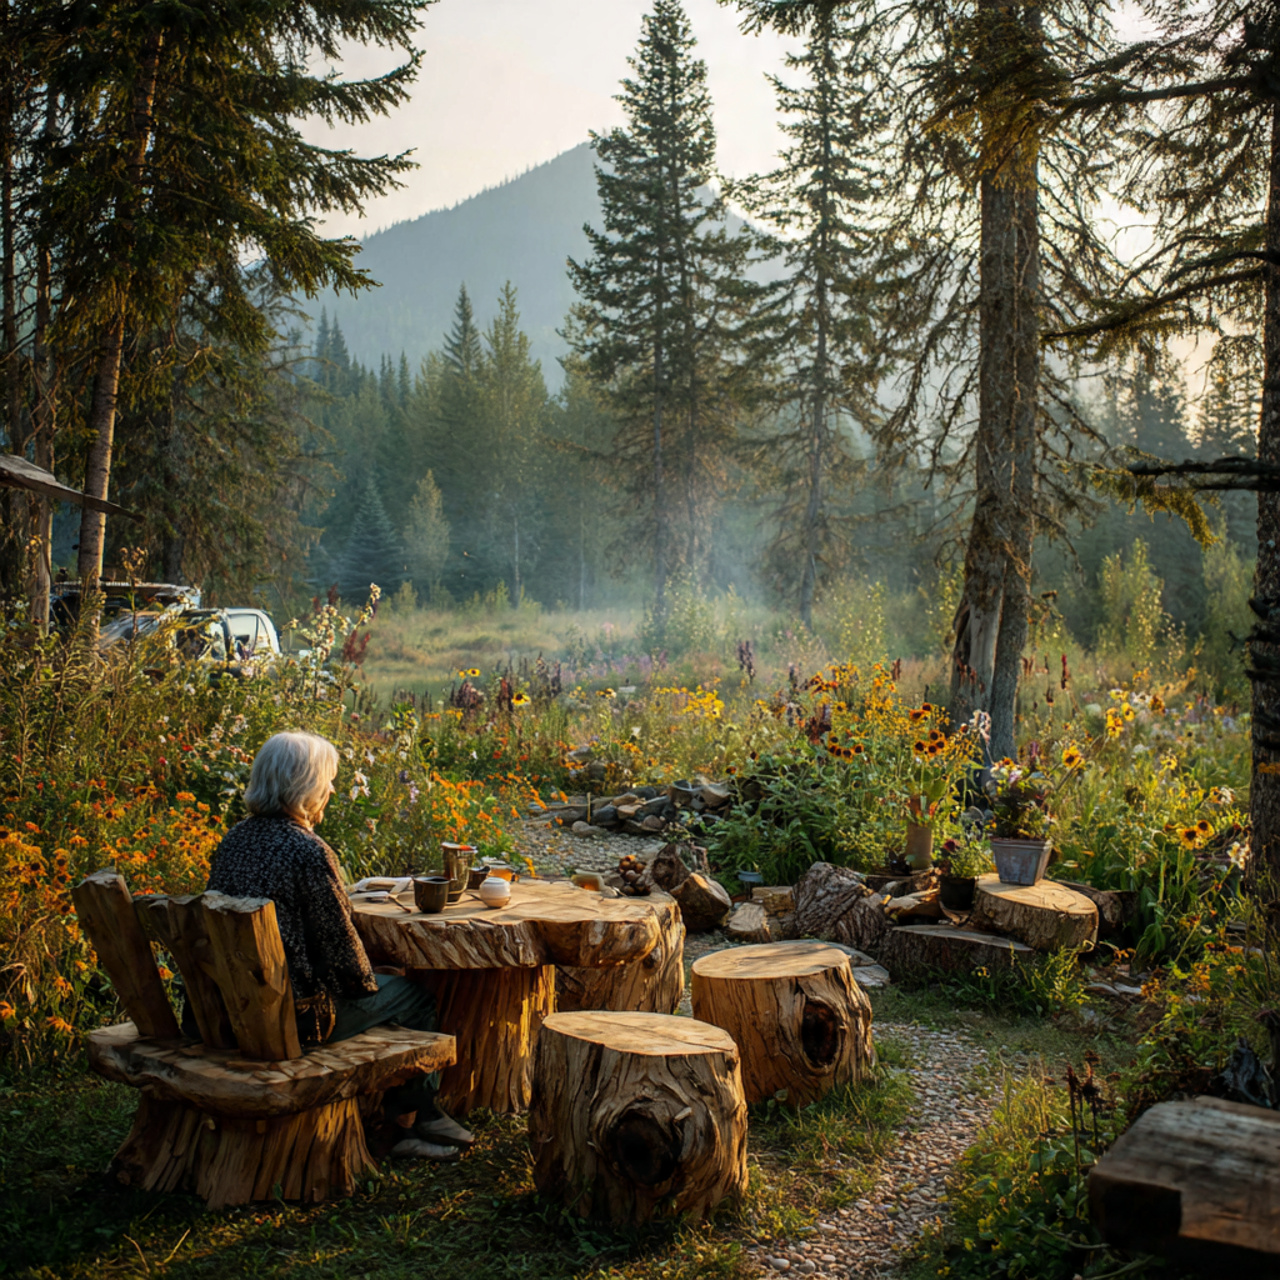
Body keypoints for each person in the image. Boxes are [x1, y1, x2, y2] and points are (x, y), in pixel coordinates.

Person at [201, 730, 472, 1161]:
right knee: (414, 997)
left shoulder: (235, 839)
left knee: (386, 985)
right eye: (327, 779)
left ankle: (410, 1115)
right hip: (291, 1021)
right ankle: (412, 1120)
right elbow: (346, 961)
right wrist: (382, 976)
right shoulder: (308, 850)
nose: (331, 789)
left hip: (226, 1010)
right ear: (304, 785)